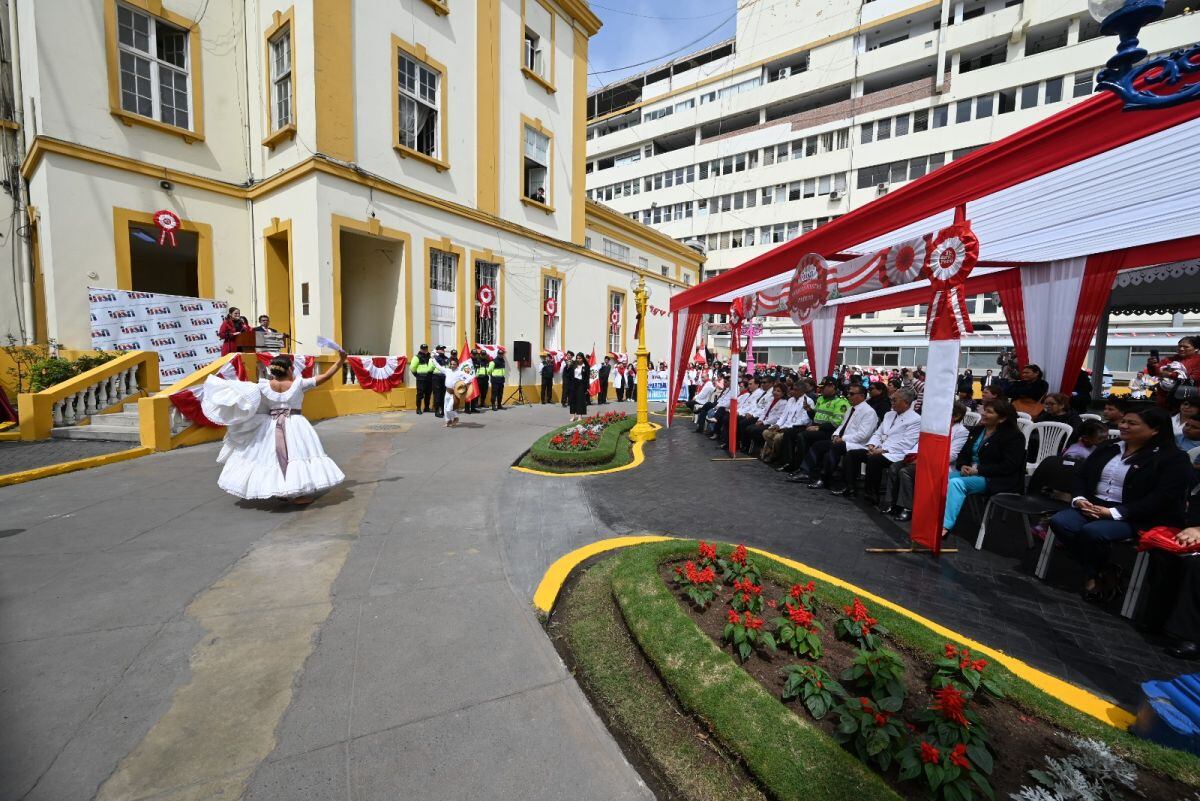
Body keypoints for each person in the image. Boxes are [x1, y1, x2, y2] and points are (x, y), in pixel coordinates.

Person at [1049, 406, 1192, 601]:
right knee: (1061, 522)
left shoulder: (1173, 458)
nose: (1123, 426)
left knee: (1094, 532)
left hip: (1137, 515)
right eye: (1123, 421)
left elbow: (1162, 497)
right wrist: (1079, 499)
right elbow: (1081, 475)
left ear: (1155, 430)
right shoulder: (1109, 447)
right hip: (1093, 506)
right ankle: (1104, 570)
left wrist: (1114, 512)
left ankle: (1094, 574)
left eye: (1132, 423)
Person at [201, 351, 347, 504]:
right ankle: (299, 494)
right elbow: (326, 376)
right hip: (296, 424)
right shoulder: (299, 384)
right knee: (296, 455)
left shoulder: (262, 387)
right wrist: (340, 361)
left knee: (272, 457)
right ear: (289, 369)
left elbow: (251, 401)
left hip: (270, 425)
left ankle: (281, 490)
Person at [942, 398, 1026, 538]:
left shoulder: (1014, 437)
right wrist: (962, 465)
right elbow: (964, 453)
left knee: (956, 483)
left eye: (989, 412)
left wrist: (979, 470)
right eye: (984, 410)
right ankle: (934, 515)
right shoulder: (978, 430)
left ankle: (945, 526)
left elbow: (1009, 466)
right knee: (941, 478)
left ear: (1002, 418)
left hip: (994, 478)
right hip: (971, 473)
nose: (983, 413)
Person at [891, 403, 971, 521]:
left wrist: (925, 459)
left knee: (906, 472)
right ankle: (892, 503)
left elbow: (952, 455)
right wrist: (914, 456)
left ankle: (907, 508)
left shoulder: (961, 432)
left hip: (938, 464)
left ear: (956, 416)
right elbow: (921, 444)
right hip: (922, 458)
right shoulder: (937, 427)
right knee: (895, 466)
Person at [838, 388, 920, 501]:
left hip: (895, 453)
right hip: (878, 448)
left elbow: (906, 443)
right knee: (852, 454)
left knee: (874, 459)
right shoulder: (889, 414)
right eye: (891, 399)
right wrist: (872, 444)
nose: (892, 402)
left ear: (906, 403)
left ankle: (871, 494)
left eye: (895, 400)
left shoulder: (916, 419)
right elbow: (878, 433)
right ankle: (850, 487)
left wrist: (882, 450)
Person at [804, 384, 879, 490]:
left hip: (857, 444)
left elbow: (863, 435)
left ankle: (824, 479)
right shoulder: (851, 409)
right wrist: (835, 435)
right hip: (844, 440)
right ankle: (806, 472)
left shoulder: (869, 412)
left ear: (862, 396)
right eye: (848, 393)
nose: (848, 396)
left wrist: (843, 439)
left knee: (835, 448)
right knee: (818, 445)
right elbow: (842, 426)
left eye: (851, 394)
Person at [1147, 336, 1200, 408]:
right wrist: (1152, 366)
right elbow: (1154, 373)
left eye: (1186, 347)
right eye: (1180, 346)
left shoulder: (1198, 361)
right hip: (1165, 400)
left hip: (1188, 400)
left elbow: (1195, 378)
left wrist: (1171, 374)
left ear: (1196, 349)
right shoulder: (1169, 360)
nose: (1181, 349)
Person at [432, 355, 474, 428]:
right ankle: (448, 421)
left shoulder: (460, 372)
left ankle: (456, 417)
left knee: (449, 409)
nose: (452, 365)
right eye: (451, 364)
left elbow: (470, 377)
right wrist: (433, 359)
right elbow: (438, 366)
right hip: (447, 392)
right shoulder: (447, 370)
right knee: (445, 408)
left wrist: (464, 383)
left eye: (454, 364)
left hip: (454, 393)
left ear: (457, 365)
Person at [412, 344, 435, 414]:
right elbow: (412, 367)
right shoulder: (417, 357)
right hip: (421, 378)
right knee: (420, 394)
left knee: (428, 393)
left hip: (429, 378)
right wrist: (417, 375)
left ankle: (426, 408)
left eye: (425, 349)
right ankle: (418, 409)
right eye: (423, 349)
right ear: (420, 349)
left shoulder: (430, 356)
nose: (424, 350)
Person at [567, 351, 590, 421]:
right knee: (572, 399)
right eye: (577, 358)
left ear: (582, 358)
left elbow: (587, 378)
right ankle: (573, 416)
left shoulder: (586, 366)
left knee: (580, 400)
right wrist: (568, 367)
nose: (578, 359)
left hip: (581, 384)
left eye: (580, 358)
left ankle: (580, 416)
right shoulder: (573, 365)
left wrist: (587, 387)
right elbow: (569, 374)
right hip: (573, 383)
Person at [431, 345, 449, 418]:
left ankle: (443, 411)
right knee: (437, 395)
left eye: (443, 349)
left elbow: (448, 367)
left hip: (444, 377)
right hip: (437, 377)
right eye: (441, 349)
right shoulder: (434, 358)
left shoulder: (446, 358)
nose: (443, 350)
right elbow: (430, 368)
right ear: (437, 350)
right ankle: (437, 411)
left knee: (443, 394)